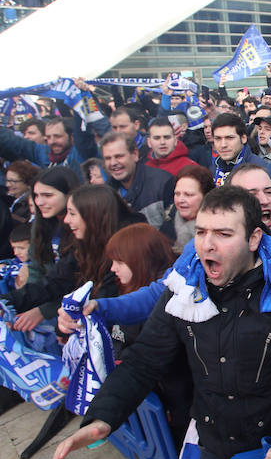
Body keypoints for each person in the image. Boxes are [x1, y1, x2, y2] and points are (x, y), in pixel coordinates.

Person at [50, 186, 271, 459]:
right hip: (214, 454)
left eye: (223, 233)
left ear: (254, 238)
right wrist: (104, 417)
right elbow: (144, 359)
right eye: (201, 232)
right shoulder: (184, 290)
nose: (207, 244)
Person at [4, 184, 144, 332]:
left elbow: (103, 301)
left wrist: (68, 324)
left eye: (72, 213)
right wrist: (7, 302)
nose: (66, 220)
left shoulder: (127, 252)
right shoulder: (86, 243)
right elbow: (55, 282)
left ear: (93, 216)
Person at [99, 132, 173, 229]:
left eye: (119, 156)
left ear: (135, 154)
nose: (113, 163)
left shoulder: (163, 183)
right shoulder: (106, 193)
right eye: (108, 158)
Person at [0, 116, 99, 174]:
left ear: (72, 137)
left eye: (57, 136)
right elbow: (13, 143)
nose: (52, 141)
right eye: (48, 137)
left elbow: (84, 131)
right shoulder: (44, 153)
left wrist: (83, 96)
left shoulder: (82, 153)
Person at [160, 164, 215, 254]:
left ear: (206, 196)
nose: (180, 200)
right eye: (177, 194)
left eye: (188, 195)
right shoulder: (167, 227)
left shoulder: (216, 231)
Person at [209, 112, 269, 186]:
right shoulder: (213, 168)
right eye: (218, 138)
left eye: (230, 138)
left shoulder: (260, 168)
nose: (223, 145)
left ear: (243, 138)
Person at [5, 160, 38, 224]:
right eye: (7, 180)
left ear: (28, 182)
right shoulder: (9, 199)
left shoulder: (31, 204)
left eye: (13, 181)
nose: (7, 185)